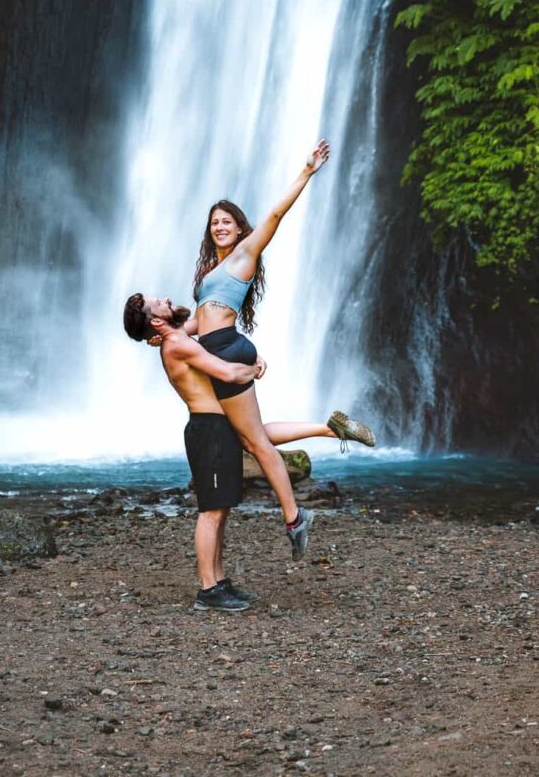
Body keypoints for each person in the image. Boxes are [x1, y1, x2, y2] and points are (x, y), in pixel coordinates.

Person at [124, 294, 372, 608]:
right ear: (156, 320)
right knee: (210, 513)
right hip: (208, 430)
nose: (167, 298)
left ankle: (220, 581)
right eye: (159, 302)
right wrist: (253, 367)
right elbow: (227, 373)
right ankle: (207, 590)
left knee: (225, 503)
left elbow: (201, 322)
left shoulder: (176, 337)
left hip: (217, 426)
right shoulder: (177, 344)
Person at [188, 139, 375, 547]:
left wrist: (306, 171)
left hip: (224, 347)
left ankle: (294, 517)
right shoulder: (211, 269)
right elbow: (199, 321)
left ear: (240, 228)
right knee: (247, 435)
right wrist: (165, 333)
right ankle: (329, 427)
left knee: (253, 440)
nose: (219, 227)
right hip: (217, 346)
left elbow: (275, 213)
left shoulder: (244, 254)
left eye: (226, 221)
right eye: (214, 223)